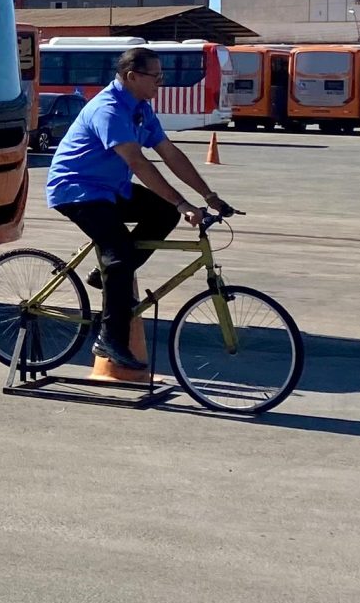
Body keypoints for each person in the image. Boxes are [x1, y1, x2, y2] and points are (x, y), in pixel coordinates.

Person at [44, 45, 231, 384]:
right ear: (132, 77)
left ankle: (107, 277)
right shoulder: (108, 109)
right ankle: (109, 340)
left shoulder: (142, 109)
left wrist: (208, 195)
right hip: (78, 189)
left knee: (162, 215)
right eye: (156, 77)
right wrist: (183, 203)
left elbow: (169, 153)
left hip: (111, 189)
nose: (161, 82)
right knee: (120, 254)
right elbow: (138, 162)